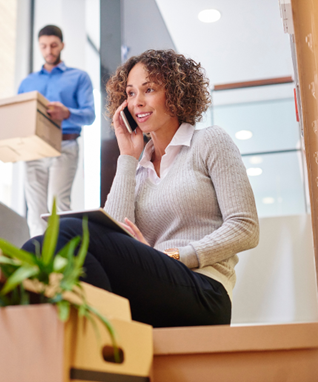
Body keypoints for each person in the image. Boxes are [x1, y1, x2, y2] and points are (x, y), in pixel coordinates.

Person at [22, 49, 259, 328]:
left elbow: (246, 228)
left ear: (176, 92)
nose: (138, 102)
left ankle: (103, 341)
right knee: (39, 246)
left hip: (205, 291)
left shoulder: (209, 142)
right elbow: (114, 230)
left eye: (149, 90)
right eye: (131, 93)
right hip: (156, 289)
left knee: (72, 232)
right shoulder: (136, 166)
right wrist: (127, 158)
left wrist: (174, 256)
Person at [18, 25, 96, 237]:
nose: (49, 50)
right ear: (39, 47)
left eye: (53, 45)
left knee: (58, 205)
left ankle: (62, 261)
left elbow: (90, 115)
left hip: (65, 145)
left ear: (62, 45)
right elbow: (19, 117)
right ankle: (39, 262)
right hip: (34, 149)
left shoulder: (79, 77)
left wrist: (67, 112)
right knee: (34, 210)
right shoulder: (28, 82)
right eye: (44, 46)